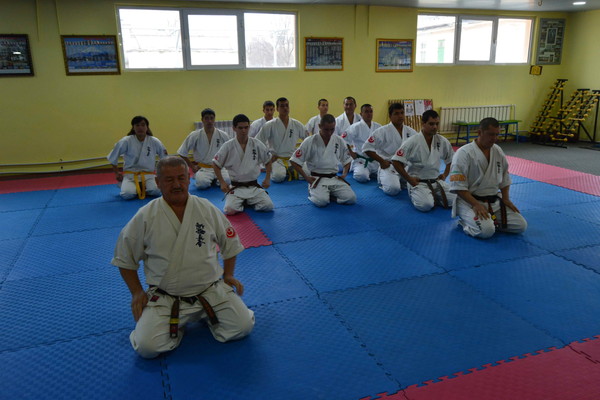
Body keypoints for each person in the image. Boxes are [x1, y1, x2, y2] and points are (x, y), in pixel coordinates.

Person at [112, 156, 254, 359]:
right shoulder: (145, 216)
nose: (177, 184)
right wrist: (136, 292)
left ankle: (204, 316)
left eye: (181, 178)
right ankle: (178, 323)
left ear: (189, 179)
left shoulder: (205, 208)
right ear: (158, 182)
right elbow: (124, 257)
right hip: (166, 297)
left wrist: (228, 275)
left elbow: (230, 243)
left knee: (242, 327)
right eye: (169, 180)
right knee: (147, 347)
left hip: (210, 290)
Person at [449, 117, 527, 239]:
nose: (494, 138)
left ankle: (489, 221)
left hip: (493, 201)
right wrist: (476, 204)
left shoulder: (497, 151)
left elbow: (505, 177)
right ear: (479, 132)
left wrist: (506, 199)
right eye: (491, 134)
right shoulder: (463, 153)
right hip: (469, 202)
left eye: (497, 134)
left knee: (520, 225)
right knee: (486, 231)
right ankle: (465, 222)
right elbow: (458, 187)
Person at [391, 110, 456, 212]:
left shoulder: (442, 140)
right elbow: (396, 161)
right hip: (418, 183)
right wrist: (409, 179)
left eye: (437, 124)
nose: (435, 127)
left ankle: (433, 196)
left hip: (436, 181)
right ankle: (417, 193)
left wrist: (445, 174)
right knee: (426, 205)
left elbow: (450, 159)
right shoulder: (412, 141)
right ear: (423, 123)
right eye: (431, 124)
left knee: (456, 200)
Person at [289, 114, 356, 207]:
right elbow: (294, 161)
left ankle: (331, 196)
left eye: (332, 129)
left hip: (334, 178)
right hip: (317, 179)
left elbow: (347, 159)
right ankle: (313, 192)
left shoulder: (338, 140)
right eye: (326, 129)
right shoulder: (310, 141)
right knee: (321, 202)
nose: (329, 133)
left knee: (351, 198)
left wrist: (344, 174)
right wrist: (307, 178)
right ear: (319, 126)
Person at [213, 114, 274, 215]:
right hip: (236, 187)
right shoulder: (228, 146)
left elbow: (268, 160)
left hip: (253, 187)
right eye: (240, 128)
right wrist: (222, 182)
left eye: (246, 127)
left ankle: (247, 202)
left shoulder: (256, 144)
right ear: (234, 128)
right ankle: (246, 202)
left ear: (249, 127)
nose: (244, 131)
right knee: (229, 210)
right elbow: (216, 164)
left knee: (268, 206)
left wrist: (267, 178)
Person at [363, 103, 418, 196]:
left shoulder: (410, 131)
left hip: (406, 166)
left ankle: (401, 181)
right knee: (393, 189)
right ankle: (382, 181)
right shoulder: (382, 131)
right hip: (389, 166)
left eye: (402, 113)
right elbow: (366, 148)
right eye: (396, 113)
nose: (400, 116)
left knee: (420, 183)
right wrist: (382, 161)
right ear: (390, 116)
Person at [107, 116, 168, 200]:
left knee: (156, 191)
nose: (140, 128)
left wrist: (160, 175)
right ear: (133, 127)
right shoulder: (126, 141)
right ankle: (127, 185)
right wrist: (117, 173)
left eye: (143, 125)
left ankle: (140, 188)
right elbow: (113, 156)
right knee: (127, 195)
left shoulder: (154, 141)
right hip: (130, 175)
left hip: (148, 175)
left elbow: (164, 158)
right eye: (137, 125)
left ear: (147, 127)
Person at [256, 97, 308, 182]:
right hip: (277, 159)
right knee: (278, 177)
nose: (285, 108)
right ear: (277, 109)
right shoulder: (270, 125)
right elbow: (258, 141)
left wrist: (302, 154)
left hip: (293, 158)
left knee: (307, 173)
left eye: (287, 105)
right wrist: (267, 157)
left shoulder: (296, 124)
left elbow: (308, 140)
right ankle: (283, 171)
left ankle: (289, 171)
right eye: (282, 106)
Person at [177, 108, 231, 189]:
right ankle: (209, 179)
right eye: (206, 118)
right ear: (202, 120)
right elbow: (182, 152)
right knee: (202, 184)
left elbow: (231, 151)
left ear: (214, 119)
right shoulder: (195, 135)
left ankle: (215, 179)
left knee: (227, 181)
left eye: (211, 118)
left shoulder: (223, 135)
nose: (209, 121)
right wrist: (192, 166)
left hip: (219, 167)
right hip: (203, 168)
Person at [342, 104, 382, 183]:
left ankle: (372, 173)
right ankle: (362, 171)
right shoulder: (355, 127)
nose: (369, 114)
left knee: (386, 175)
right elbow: (343, 140)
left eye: (371, 111)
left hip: (375, 161)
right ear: (361, 114)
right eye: (366, 112)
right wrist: (351, 153)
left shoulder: (378, 127)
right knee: (362, 176)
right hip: (361, 160)